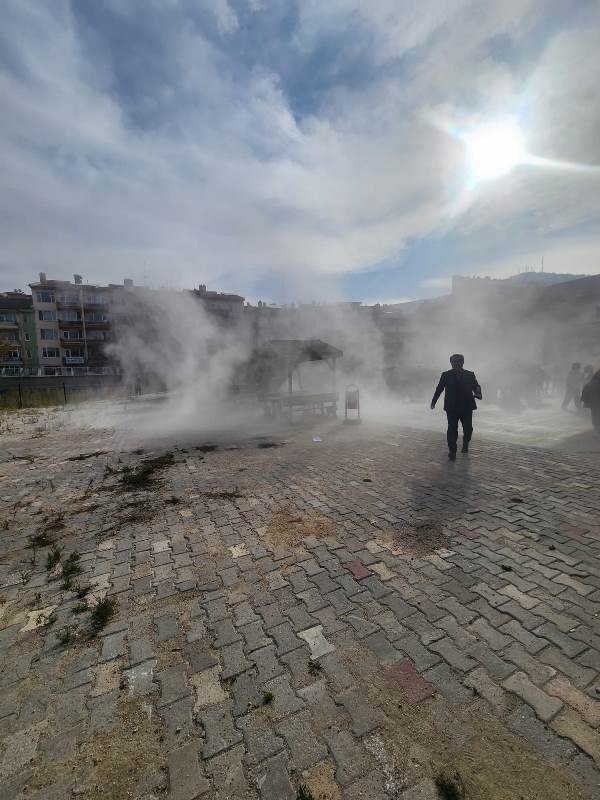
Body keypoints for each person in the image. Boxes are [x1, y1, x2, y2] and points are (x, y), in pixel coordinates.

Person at [431, 354, 482, 461]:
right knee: (452, 429)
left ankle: (465, 442)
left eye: (458, 361)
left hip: (467, 407)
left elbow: (476, 386)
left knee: (468, 429)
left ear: (463, 362)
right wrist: (433, 401)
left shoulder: (470, 374)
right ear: (451, 363)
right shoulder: (446, 375)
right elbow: (439, 388)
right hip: (452, 407)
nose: (456, 363)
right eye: (454, 362)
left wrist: (478, 392)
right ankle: (452, 451)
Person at [581, 368, 600, 434]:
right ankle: (597, 428)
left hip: (593, 402)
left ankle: (596, 428)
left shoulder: (592, 381)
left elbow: (585, 389)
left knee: (595, 414)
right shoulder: (594, 382)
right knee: (596, 414)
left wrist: (585, 400)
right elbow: (586, 390)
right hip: (595, 401)